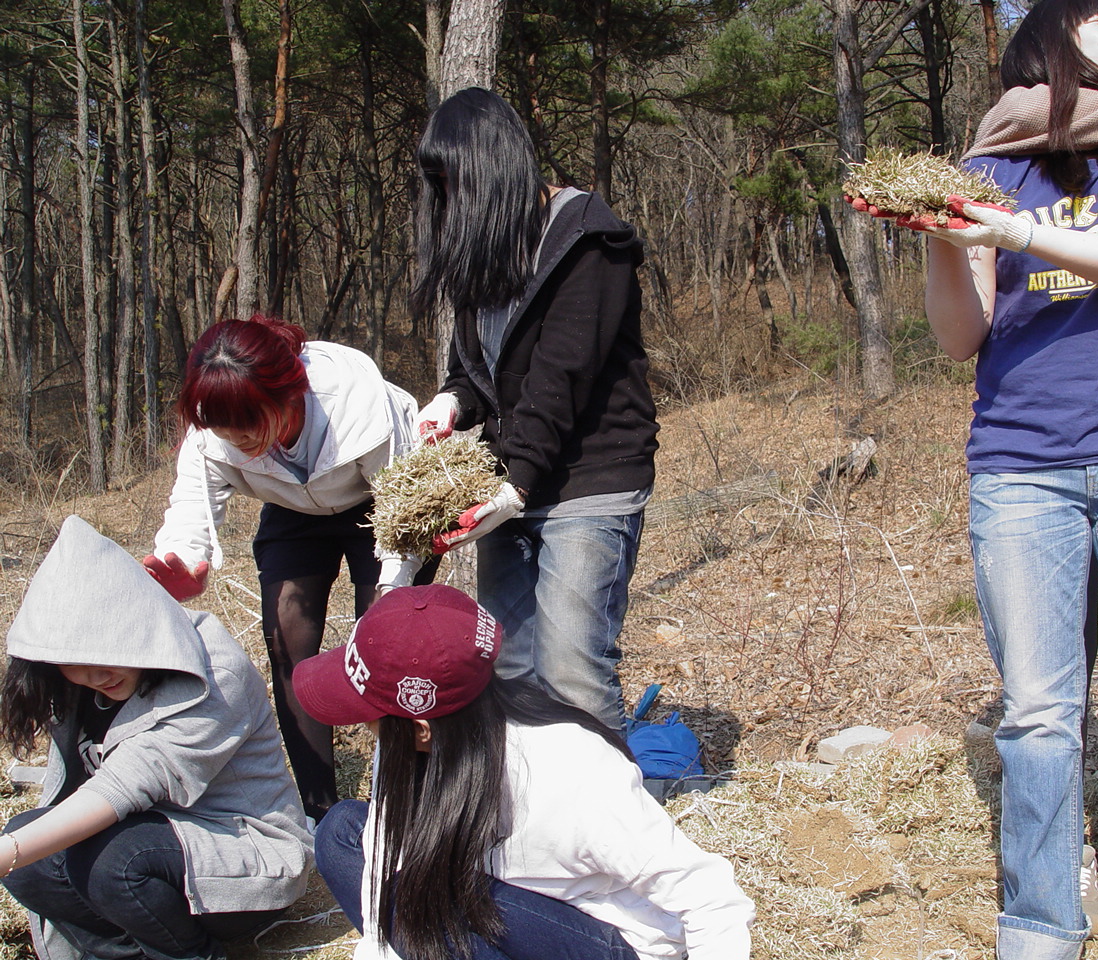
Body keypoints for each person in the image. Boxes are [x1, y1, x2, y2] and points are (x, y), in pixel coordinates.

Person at [853, 1, 1098, 957]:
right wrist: (947, 232)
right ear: (1050, 39)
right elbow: (958, 337)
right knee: (1039, 718)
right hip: (1022, 471)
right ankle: (1039, 929)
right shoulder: (990, 168)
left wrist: (1013, 234)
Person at [292, 584, 754, 960]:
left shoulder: (571, 770)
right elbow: (385, 854)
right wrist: (382, 946)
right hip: (497, 901)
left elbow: (711, 899)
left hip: (599, 938)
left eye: (367, 710)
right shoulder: (409, 746)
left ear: (420, 730)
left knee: (431, 902)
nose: (364, 724)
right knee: (342, 834)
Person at [411, 88, 660, 733]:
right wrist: (452, 400)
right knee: (511, 667)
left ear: (492, 170)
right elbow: (478, 365)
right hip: (511, 479)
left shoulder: (586, 241)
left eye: (451, 184)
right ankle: (537, 818)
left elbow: (561, 376)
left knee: (571, 666)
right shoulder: (487, 250)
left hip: (588, 479)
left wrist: (513, 484)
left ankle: (612, 825)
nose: (446, 204)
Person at [144, 314, 426, 821]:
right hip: (294, 510)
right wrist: (184, 560)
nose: (240, 441)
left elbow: (404, 515)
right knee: (286, 638)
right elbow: (190, 505)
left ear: (290, 393)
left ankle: (400, 802)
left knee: (387, 646)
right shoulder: (213, 426)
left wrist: (391, 592)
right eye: (227, 433)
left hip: (383, 501)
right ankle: (319, 810)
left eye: (250, 426)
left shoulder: (355, 400)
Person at [0, 516, 313, 960]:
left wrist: (7, 851)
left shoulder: (213, 671)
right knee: (28, 856)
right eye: (76, 660)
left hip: (239, 852)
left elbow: (122, 786)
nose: (98, 674)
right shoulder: (73, 686)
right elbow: (64, 793)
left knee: (113, 860)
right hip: (140, 843)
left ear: (137, 620)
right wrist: (17, 850)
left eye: (108, 650)